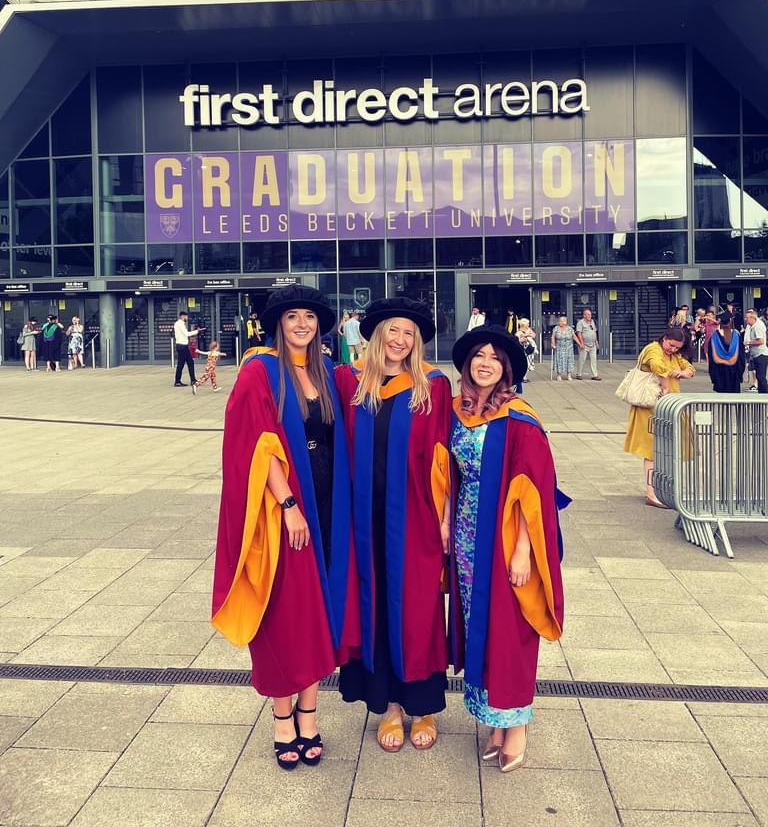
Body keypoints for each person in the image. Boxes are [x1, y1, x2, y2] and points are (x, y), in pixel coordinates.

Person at [212, 284, 359, 770]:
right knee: (284, 613)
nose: (302, 324)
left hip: (329, 508)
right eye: (292, 316)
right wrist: (288, 503)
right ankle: (281, 718)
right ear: (278, 322)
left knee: (319, 611)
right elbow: (257, 442)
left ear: (320, 325)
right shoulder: (261, 371)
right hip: (288, 512)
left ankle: (310, 713)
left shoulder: (327, 373)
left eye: (310, 317)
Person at [335, 297, 452, 753]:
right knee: (376, 605)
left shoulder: (432, 387)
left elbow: (447, 455)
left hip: (417, 518)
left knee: (417, 605)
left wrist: (444, 514)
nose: (400, 340)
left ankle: (422, 706)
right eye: (392, 331)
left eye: (408, 333)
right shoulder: (350, 382)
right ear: (376, 336)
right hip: (365, 521)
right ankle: (390, 708)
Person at [448, 325, 565, 773]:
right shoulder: (461, 412)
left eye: (495, 358)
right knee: (482, 625)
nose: (485, 362)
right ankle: (493, 721)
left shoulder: (520, 419)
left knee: (511, 629)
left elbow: (534, 490)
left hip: (505, 540)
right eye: (479, 355)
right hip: (465, 537)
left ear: (506, 369)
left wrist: (522, 552)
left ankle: (515, 725)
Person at [623, 329, 695, 507]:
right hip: (650, 406)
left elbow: (689, 368)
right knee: (651, 450)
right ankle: (651, 492)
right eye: (671, 345)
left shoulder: (674, 355)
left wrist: (684, 372)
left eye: (677, 347)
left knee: (666, 450)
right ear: (664, 339)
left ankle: (662, 490)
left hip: (668, 406)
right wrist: (667, 381)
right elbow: (657, 366)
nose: (672, 349)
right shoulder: (653, 349)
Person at [708, 313, 746, 393]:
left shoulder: (714, 336)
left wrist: (713, 375)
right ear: (730, 321)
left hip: (719, 370)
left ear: (720, 322)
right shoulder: (736, 335)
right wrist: (740, 373)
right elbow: (741, 356)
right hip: (734, 371)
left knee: (721, 396)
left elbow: (711, 356)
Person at [173, 311, 204, 387]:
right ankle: (192, 380)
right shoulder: (180, 324)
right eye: (186, 317)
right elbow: (187, 334)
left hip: (181, 346)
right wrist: (197, 331)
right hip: (183, 346)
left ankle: (178, 381)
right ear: (182, 316)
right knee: (190, 362)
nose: (187, 318)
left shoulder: (177, 324)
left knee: (181, 364)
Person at [744, 308, 768, 393]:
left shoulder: (757, 326)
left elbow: (760, 341)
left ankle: (765, 394)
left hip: (760, 354)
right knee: (759, 376)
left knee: (761, 376)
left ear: (752, 318)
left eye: (747, 318)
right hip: (756, 354)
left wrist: (748, 343)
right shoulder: (753, 326)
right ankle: (762, 393)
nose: (745, 319)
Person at [575, 308, 601, 381]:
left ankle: (595, 375)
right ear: (584, 315)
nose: (590, 316)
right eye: (588, 314)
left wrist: (596, 342)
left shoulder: (592, 322)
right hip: (584, 344)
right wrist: (581, 343)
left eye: (590, 314)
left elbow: (594, 332)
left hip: (593, 344)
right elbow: (579, 333)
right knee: (582, 359)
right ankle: (579, 374)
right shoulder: (580, 322)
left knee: (594, 360)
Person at [551, 315, 576, 381]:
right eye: (560, 321)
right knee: (559, 361)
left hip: (569, 348)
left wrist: (580, 344)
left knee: (569, 361)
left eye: (562, 321)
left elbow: (574, 337)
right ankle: (559, 375)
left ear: (565, 322)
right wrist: (553, 343)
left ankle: (569, 375)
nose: (560, 322)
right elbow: (553, 336)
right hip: (559, 347)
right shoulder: (556, 328)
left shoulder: (570, 329)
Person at [516, 318, 537, 383]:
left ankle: (524, 376)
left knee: (528, 362)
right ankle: (523, 377)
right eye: (527, 323)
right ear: (524, 324)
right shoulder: (518, 332)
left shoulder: (529, 330)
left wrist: (528, 335)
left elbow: (534, 335)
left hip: (530, 348)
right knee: (525, 362)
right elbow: (518, 340)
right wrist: (523, 338)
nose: (528, 325)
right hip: (523, 349)